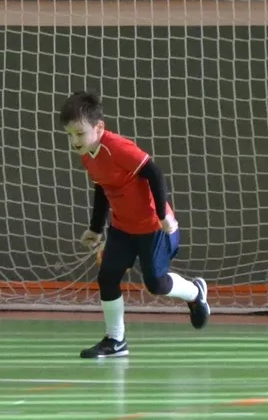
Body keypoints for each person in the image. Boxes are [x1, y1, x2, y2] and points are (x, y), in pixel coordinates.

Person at [60, 91, 209, 358]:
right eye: (70, 135)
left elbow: (154, 173)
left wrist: (163, 215)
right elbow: (102, 188)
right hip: (122, 227)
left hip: (153, 226)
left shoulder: (117, 147)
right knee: (107, 277)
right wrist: (96, 228)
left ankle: (195, 293)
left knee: (156, 285)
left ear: (99, 127)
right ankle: (115, 340)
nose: (74, 141)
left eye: (79, 134)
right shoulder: (87, 154)